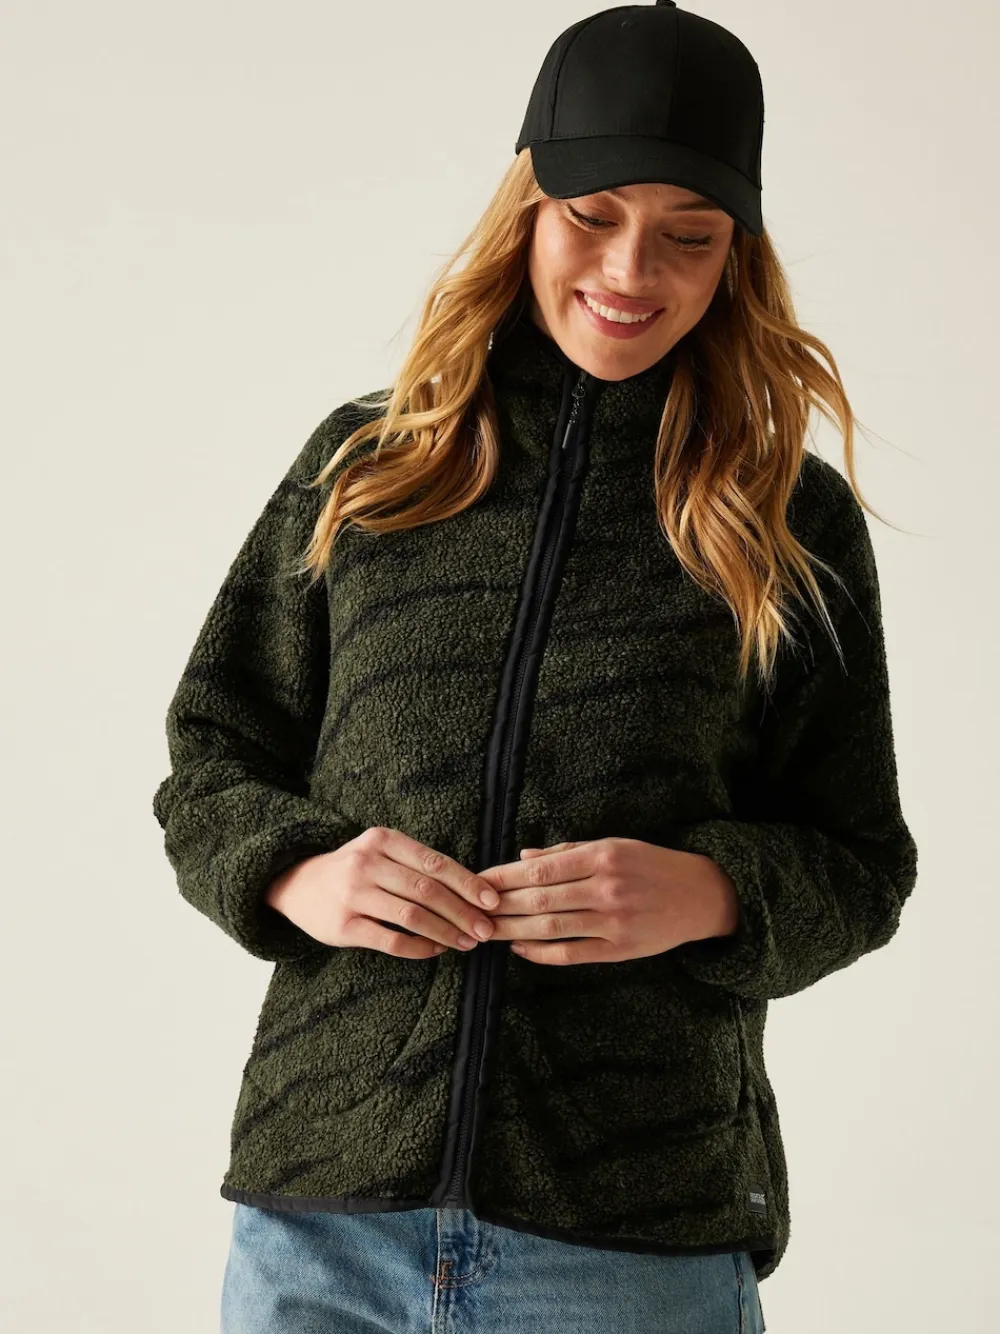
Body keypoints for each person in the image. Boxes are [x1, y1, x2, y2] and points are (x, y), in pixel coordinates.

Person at [152, 3, 918, 1331]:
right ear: (526, 213)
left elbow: (860, 862)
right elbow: (212, 753)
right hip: (321, 1225)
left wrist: (708, 891)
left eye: (689, 235)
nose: (632, 269)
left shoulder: (788, 515)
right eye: (592, 215)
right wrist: (296, 870)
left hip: (627, 1233)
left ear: (736, 257)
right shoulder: (369, 467)